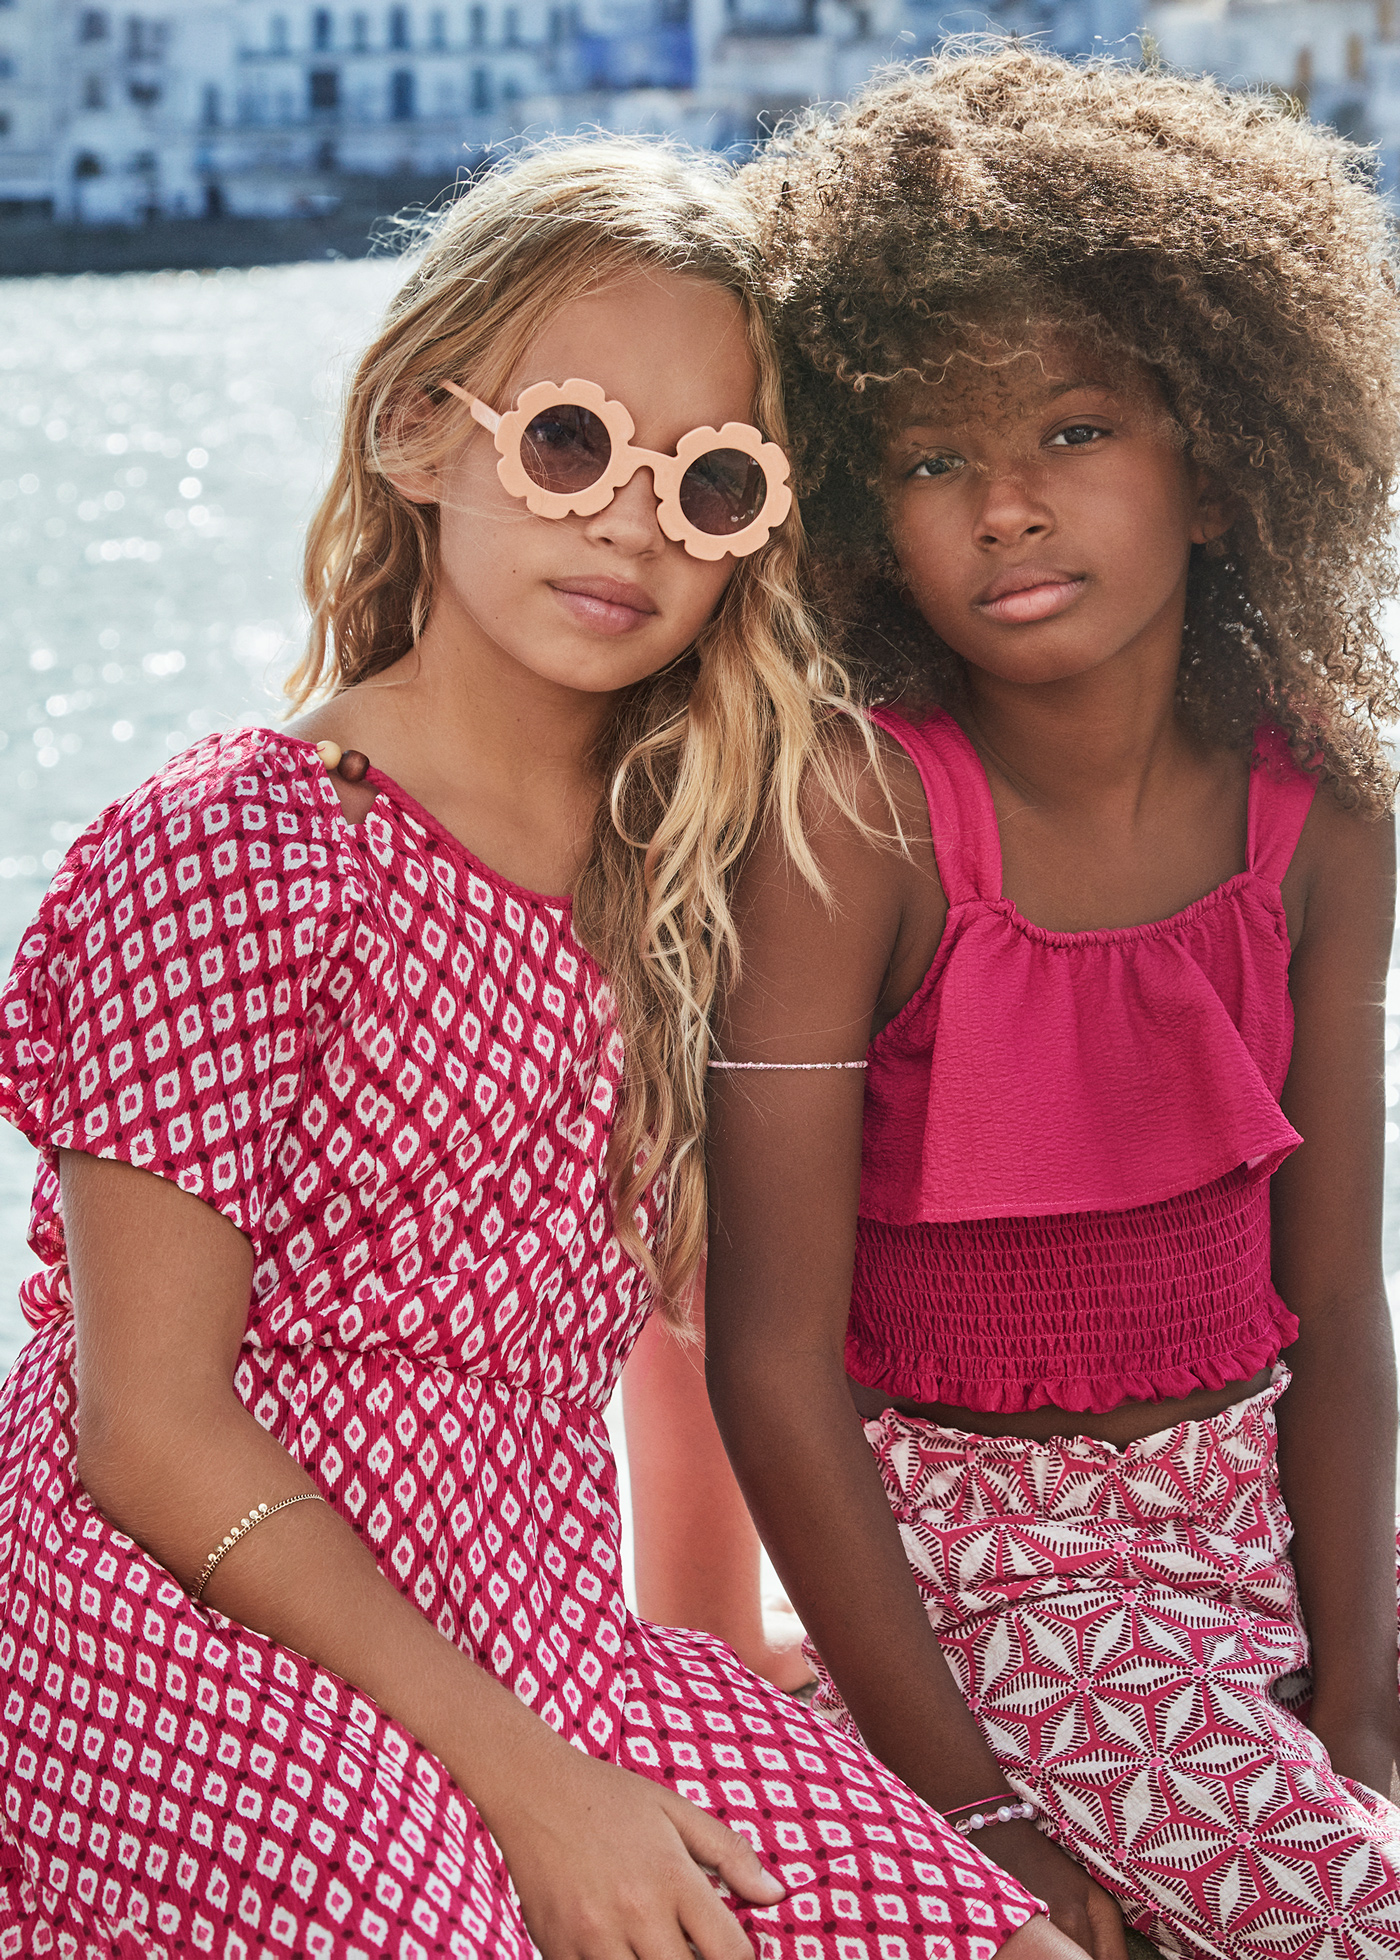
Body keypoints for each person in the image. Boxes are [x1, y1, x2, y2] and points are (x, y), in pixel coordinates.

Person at [0, 138, 1071, 1960]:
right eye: (571, 443)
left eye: (710, 480)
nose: (633, 523)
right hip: (176, 1606)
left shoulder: (690, 880)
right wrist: (531, 1784)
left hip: (537, 1619)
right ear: (421, 433)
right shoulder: (241, 849)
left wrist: (715, 1677)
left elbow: (677, 1328)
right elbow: (148, 1429)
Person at [703, 50, 1400, 1960]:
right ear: (862, 522)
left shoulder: (1324, 810)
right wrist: (972, 1811)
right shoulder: (858, 826)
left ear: (1224, 463)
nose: (1006, 508)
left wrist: (1356, 1710)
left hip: (1271, 1528)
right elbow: (770, 1364)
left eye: (1074, 431)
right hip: (996, 1587)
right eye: (932, 460)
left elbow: (1338, 1300)